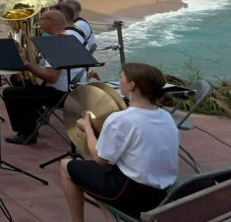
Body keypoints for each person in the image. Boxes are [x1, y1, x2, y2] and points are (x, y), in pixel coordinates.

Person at [60, 63, 179, 221]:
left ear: (131, 85)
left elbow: (99, 159)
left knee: (66, 166)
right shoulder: (166, 117)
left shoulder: (121, 119)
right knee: (95, 177)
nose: (119, 80)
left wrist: (88, 128)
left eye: (121, 77)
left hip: (130, 193)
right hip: (162, 192)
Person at [2, 10, 74, 144]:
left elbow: (52, 77)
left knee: (10, 93)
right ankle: (32, 123)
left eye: (41, 19)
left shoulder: (56, 44)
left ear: (50, 22)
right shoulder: (66, 38)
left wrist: (27, 64)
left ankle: (25, 133)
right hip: (64, 89)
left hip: (58, 94)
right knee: (18, 81)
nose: (39, 22)